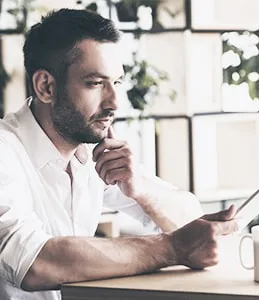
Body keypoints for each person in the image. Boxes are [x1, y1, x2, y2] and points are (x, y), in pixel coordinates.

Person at [0, 8, 237, 300]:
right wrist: (171, 249)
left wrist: (139, 189)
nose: (114, 103)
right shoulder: (4, 151)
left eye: (118, 82)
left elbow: (193, 223)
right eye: (96, 83)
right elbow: (34, 262)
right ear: (46, 86)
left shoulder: (89, 150)